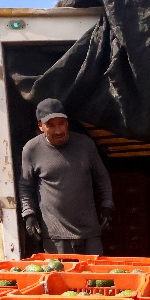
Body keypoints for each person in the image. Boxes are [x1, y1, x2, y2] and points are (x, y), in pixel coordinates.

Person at [18, 98, 114, 254]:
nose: (58, 130)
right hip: (55, 236)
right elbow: (25, 185)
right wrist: (29, 214)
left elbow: (102, 177)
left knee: (95, 277)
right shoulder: (31, 149)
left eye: (61, 123)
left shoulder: (85, 144)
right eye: (50, 125)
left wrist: (107, 205)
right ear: (41, 126)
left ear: (67, 122)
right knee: (60, 277)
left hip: (89, 233)